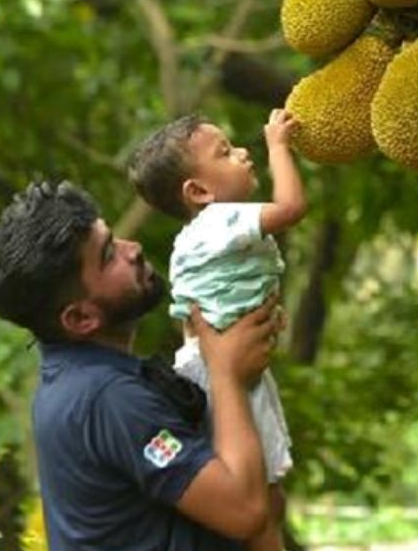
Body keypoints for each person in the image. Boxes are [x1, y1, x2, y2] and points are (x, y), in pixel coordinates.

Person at [0, 181, 280, 550]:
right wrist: (226, 373)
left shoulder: (78, 382)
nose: (132, 250)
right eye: (107, 256)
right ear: (81, 318)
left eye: (115, 239)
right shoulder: (109, 398)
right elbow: (244, 511)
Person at [126, 108, 307, 551]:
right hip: (221, 374)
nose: (244, 154)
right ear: (199, 191)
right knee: (261, 506)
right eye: (226, 152)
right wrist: (278, 146)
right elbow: (291, 208)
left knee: (271, 496)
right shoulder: (218, 223)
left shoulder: (207, 233)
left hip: (218, 366)